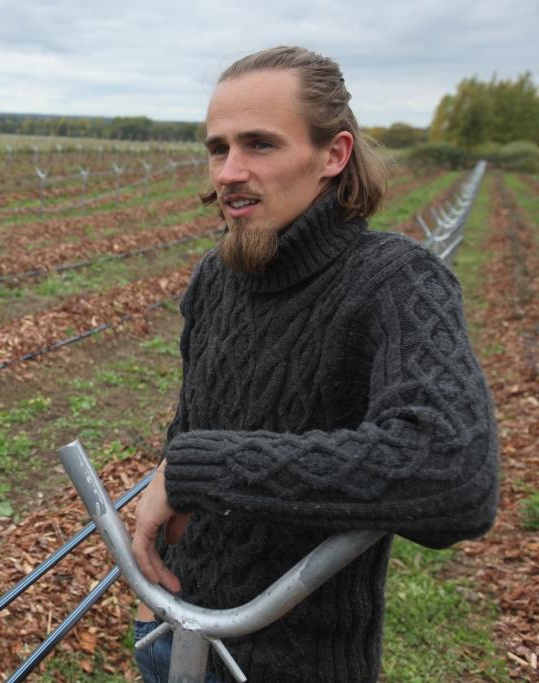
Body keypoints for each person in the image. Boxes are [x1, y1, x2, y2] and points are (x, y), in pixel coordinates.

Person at [129, 46, 498, 682]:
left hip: (293, 665)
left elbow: (454, 472)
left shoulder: (397, 282)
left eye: (260, 144)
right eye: (218, 148)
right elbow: (194, 431)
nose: (230, 171)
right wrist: (156, 590)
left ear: (334, 154)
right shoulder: (216, 278)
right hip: (171, 634)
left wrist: (197, 469)